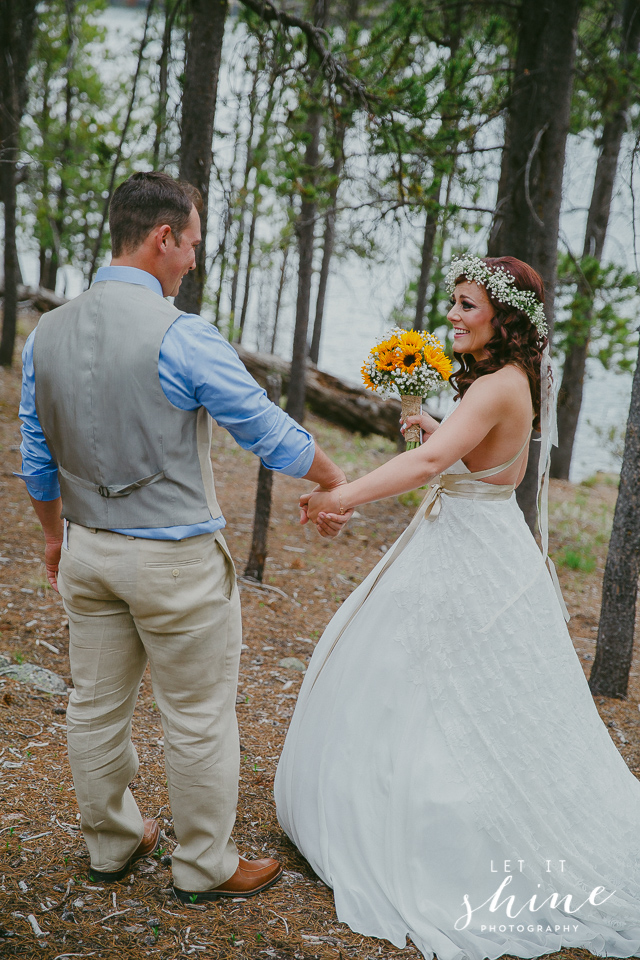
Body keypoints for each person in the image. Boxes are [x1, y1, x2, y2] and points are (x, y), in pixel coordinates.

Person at [275, 256, 640, 960]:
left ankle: (437, 830)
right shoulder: (510, 381)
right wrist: (427, 419)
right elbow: (465, 454)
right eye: (453, 302)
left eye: (466, 305)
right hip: (480, 534)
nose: (452, 316)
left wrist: (338, 498)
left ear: (503, 317)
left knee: (455, 690)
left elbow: (425, 468)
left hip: (471, 548)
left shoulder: (499, 385)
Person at [17, 171, 347, 905]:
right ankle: (203, 866)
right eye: (193, 243)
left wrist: (51, 539)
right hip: (175, 564)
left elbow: (36, 458)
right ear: (164, 237)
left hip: (87, 550)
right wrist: (331, 477)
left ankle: (111, 843)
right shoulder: (182, 335)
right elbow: (262, 426)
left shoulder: (47, 334)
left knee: (94, 706)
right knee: (196, 717)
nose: (194, 259)